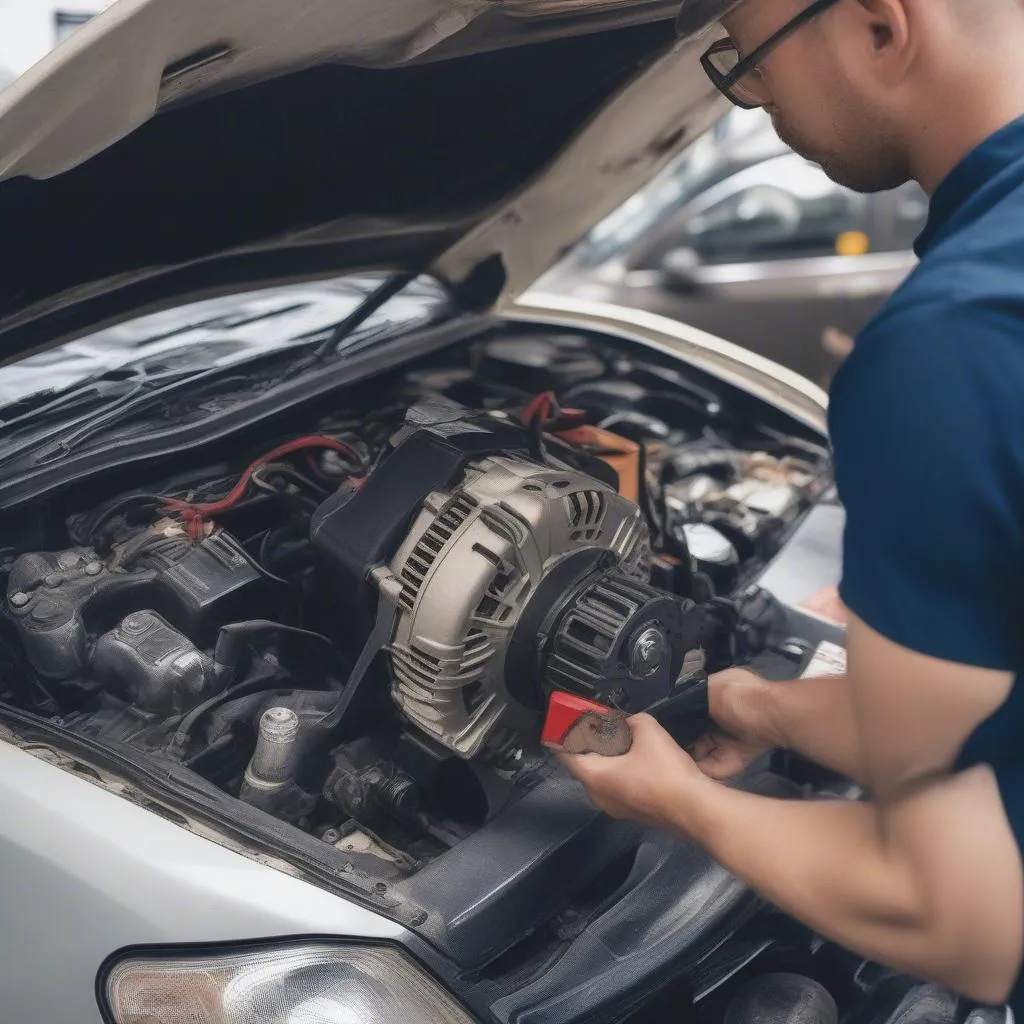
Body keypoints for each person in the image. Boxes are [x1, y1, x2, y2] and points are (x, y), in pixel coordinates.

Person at [555, 0, 1024, 1011]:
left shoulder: (955, 342)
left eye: (748, 56)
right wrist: (753, 704)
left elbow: (957, 916)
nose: (753, 95)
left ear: (878, 25)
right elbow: (987, 719)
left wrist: (680, 802)